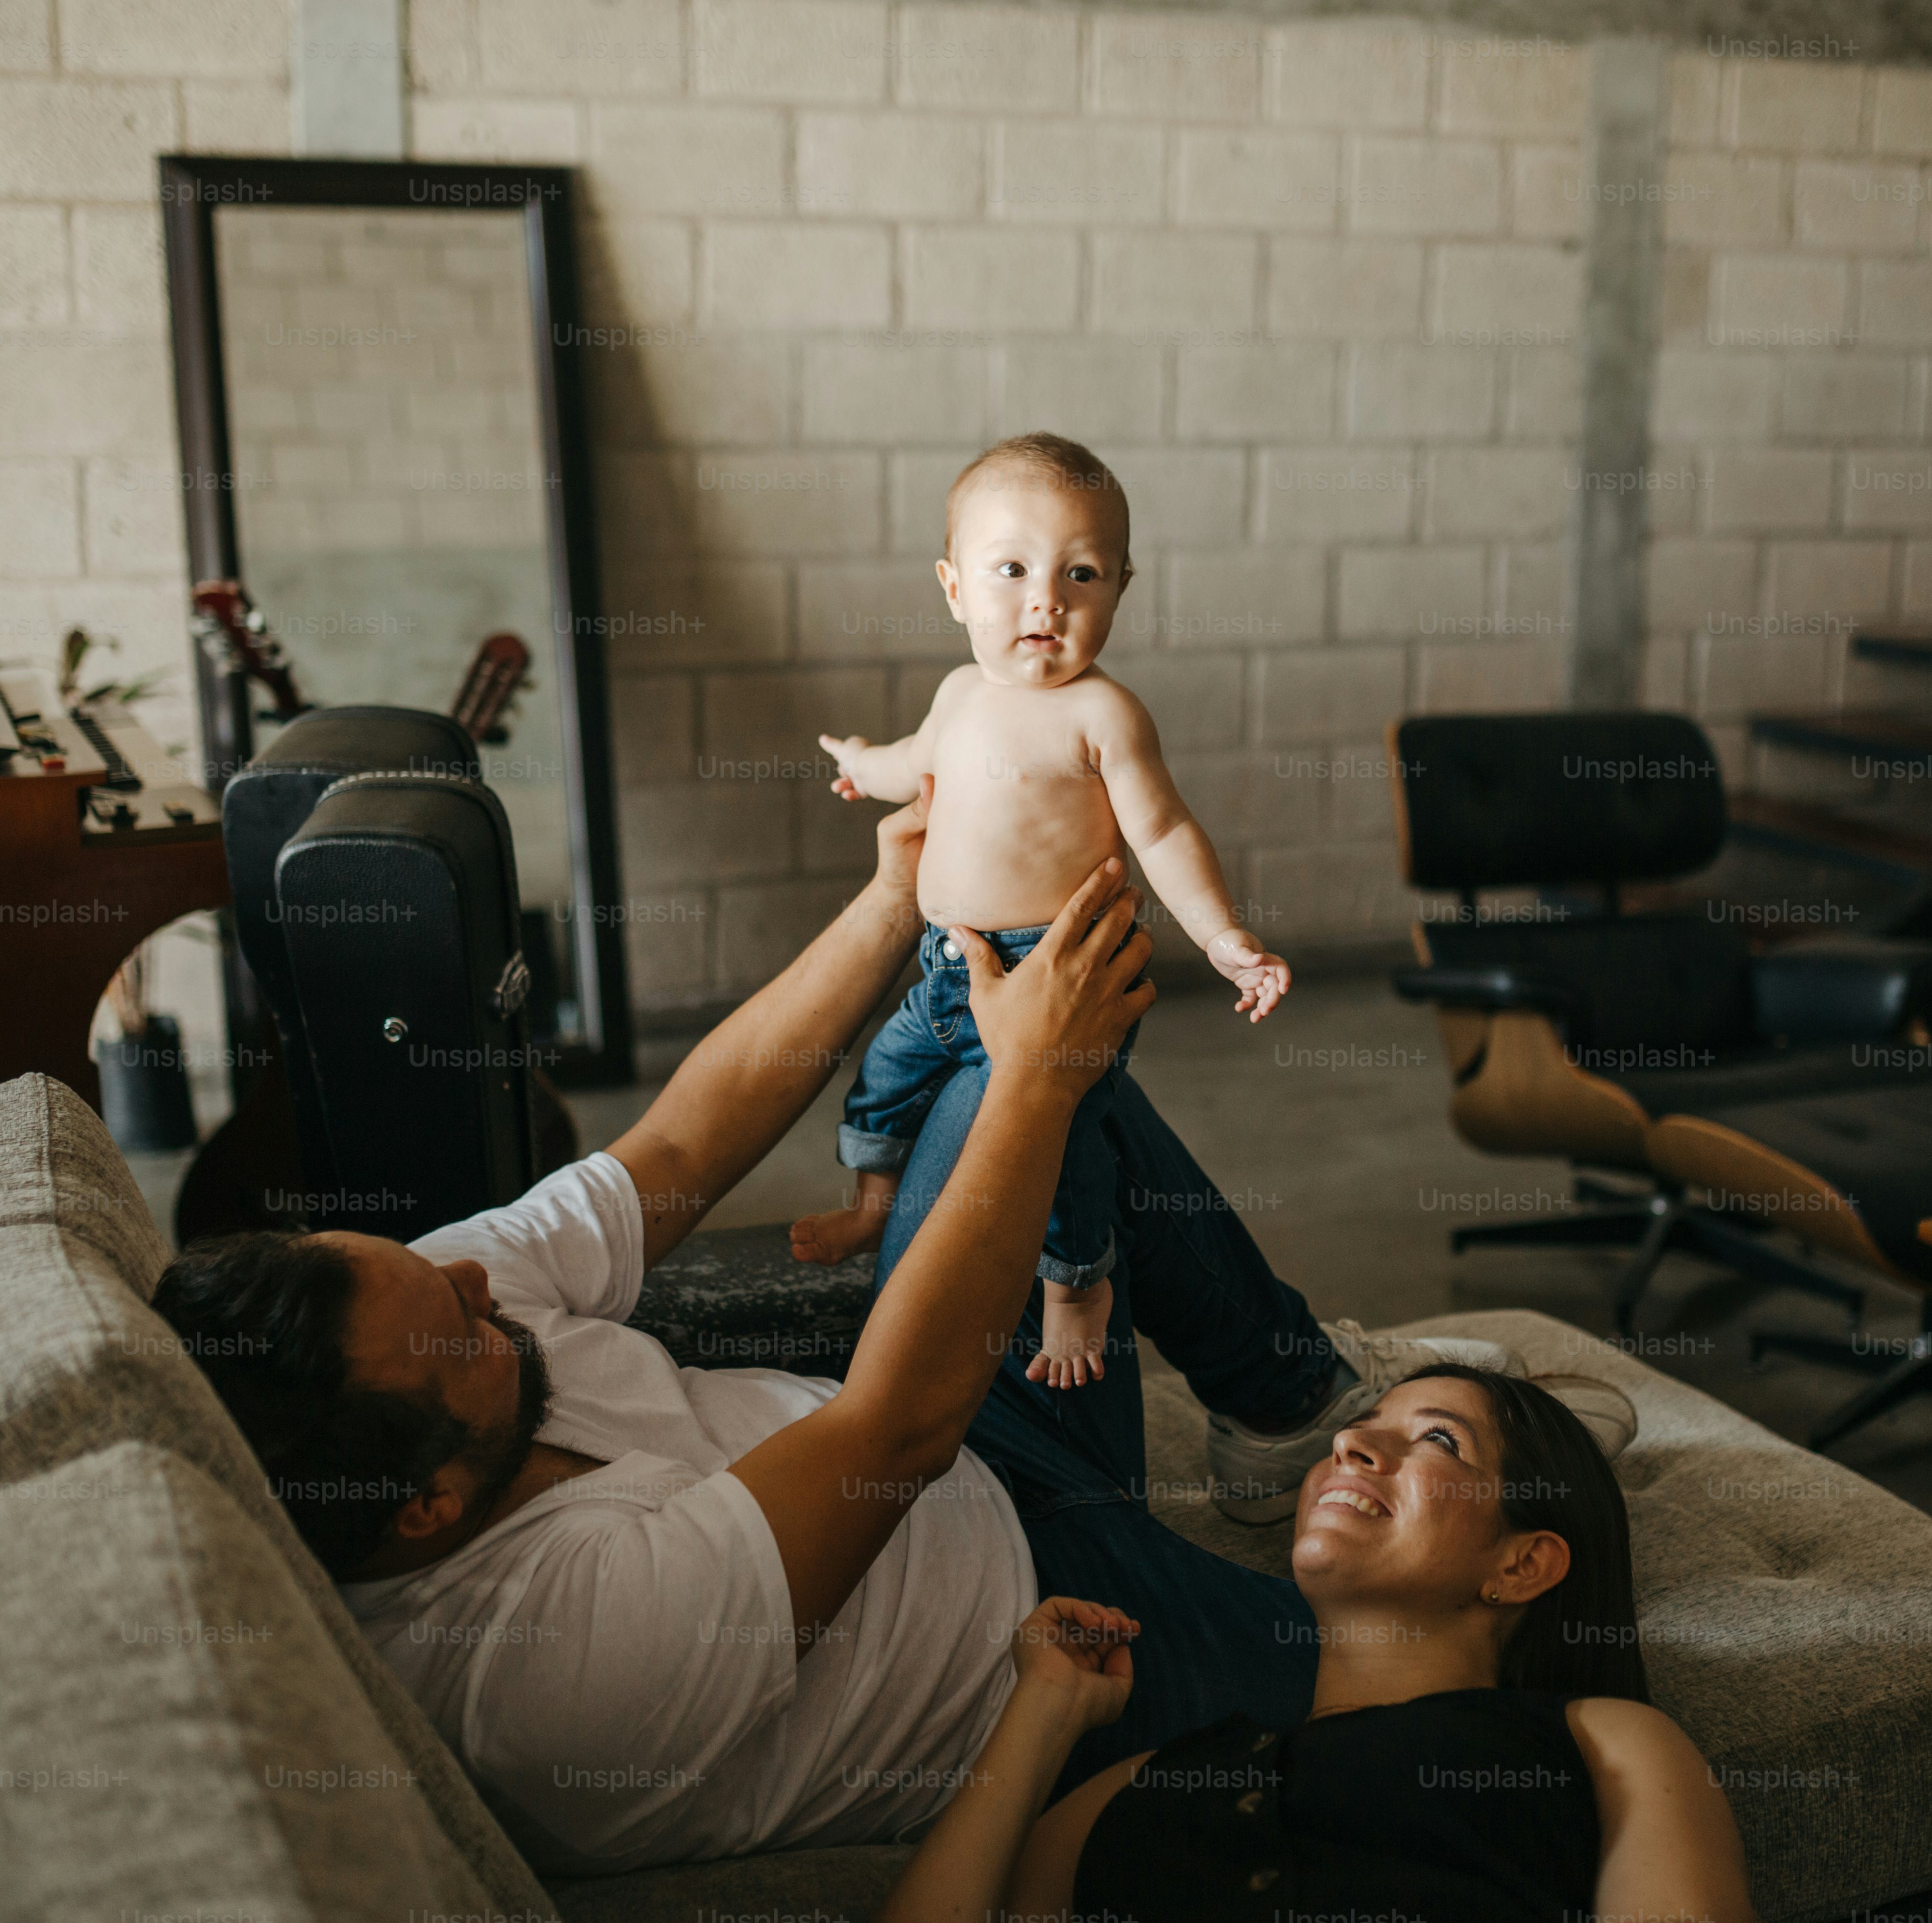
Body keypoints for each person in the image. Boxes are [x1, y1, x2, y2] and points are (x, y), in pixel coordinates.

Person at [152, 790, 1505, 1876]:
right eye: (461, 1328)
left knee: (1002, 1030)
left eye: (436, 1271)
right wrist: (1043, 1068)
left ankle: (1281, 1396)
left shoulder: (413, 1307)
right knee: (1430, 1690)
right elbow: (889, 1427)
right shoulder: (538, 1677)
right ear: (425, 1501)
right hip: (1033, 1638)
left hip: (983, 1427)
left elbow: (678, 1142)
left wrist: (891, 898)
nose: (473, 1284)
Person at [875, 1365, 1756, 1923]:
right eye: (1362, 1421)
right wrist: (1043, 1709)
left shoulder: (1607, 1743)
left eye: (1436, 1439)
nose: (1350, 1441)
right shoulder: (1129, 1784)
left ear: (1524, 1563)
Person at [793, 431, 1293, 1390]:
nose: (1045, 600)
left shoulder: (1103, 715)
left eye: (1081, 574)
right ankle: (873, 1194)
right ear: (952, 588)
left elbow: (1165, 832)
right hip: (947, 963)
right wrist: (862, 764)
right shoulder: (957, 693)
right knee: (884, 1076)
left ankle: (1078, 1285)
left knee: (1060, 1148)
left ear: (1120, 588)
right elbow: (913, 759)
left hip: (1054, 975)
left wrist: (1225, 936)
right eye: (1011, 569)